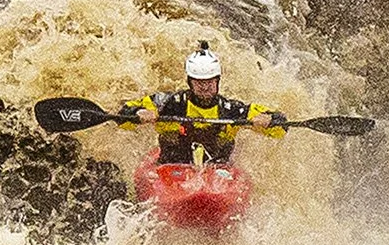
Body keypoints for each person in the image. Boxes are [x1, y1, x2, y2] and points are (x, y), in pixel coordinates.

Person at [119, 41, 287, 164]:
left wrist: (268, 120)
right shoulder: (170, 104)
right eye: (199, 82)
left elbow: (281, 126)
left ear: (217, 81)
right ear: (190, 82)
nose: (205, 87)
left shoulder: (230, 110)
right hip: (171, 169)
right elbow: (123, 115)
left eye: (210, 82)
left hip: (217, 172)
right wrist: (138, 114)